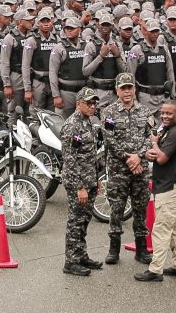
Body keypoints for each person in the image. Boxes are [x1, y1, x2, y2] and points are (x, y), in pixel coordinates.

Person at [137, 99, 176, 282]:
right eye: (162, 113)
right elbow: (159, 155)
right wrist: (151, 151)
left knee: (161, 229)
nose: (164, 116)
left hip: (171, 187)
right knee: (174, 227)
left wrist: (154, 143)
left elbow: (161, 158)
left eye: (169, 113)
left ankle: (155, 270)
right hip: (169, 185)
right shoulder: (171, 129)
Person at [101, 73, 153, 265]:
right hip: (118, 170)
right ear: (117, 90)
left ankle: (141, 249)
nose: (127, 92)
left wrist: (138, 157)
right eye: (123, 88)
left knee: (140, 210)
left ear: (134, 89)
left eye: (129, 87)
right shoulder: (109, 113)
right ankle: (113, 250)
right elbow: (109, 139)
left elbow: (151, 137)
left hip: (140, 170)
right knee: (117, 210)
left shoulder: (145, 112)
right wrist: (128, 158)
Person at [61, 87, 103, 276]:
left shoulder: (88, 122)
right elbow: (70, 159)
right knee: (75, 221)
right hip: (77, 182)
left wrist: (95, 180)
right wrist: (80, 187)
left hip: (89, 179)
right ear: (78, 104)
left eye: (94, 103)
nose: (93, 106)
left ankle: (81, 255)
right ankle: (71, 261)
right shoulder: (72, 125)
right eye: (89, 103)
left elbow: (91, 155)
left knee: (84, 220)